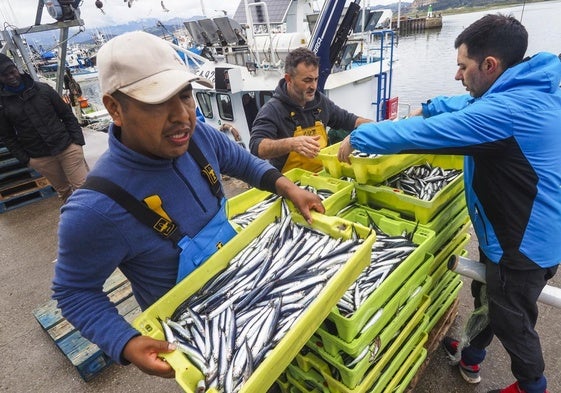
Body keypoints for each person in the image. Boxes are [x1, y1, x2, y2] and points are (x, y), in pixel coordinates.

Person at [51, 31, 325, 378]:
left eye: (186, 95)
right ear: (114, 108)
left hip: (248, 285)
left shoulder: (198, 136)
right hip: (197, 335)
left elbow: (243, 163)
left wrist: (288, 188)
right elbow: (74, 292)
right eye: (157, 102)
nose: (181, 116)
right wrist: (125, 342)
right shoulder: (94, 209)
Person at [338, 14, 561, 393]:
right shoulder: (530, 89)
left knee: (512, 322)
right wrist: (430, 104)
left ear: (489, 65)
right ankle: (472, 356)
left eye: (463, 66)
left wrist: (363, 137)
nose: (458, 75)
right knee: (488, 300)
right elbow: (464, 105)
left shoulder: (504, 112)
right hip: (520, 232)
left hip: (521, 246)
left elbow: (427, 136)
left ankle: (532, 386)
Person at [249, 46, 371, 173]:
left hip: (323, 176)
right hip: (290, 185)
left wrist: (377, 128)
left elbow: (348, 120)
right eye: (307, 80)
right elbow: (256, 146)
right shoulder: (273, 110)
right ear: (289, 79)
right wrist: (291, 144)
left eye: (315, 79)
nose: (313, 86)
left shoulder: (320, 102)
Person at [0, 53, 89, 203]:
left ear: (17, 69)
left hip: (67, 148)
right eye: (3, 75)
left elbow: (67, 115)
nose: (10, 77)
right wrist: (27, 160)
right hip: (40, 157)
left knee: (84, 188)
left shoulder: (43, 89)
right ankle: (80, 225)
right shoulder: (2, 104)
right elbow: (8, 137)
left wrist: (77, 142)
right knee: (65, 193)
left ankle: (100, 223)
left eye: (12, 71)